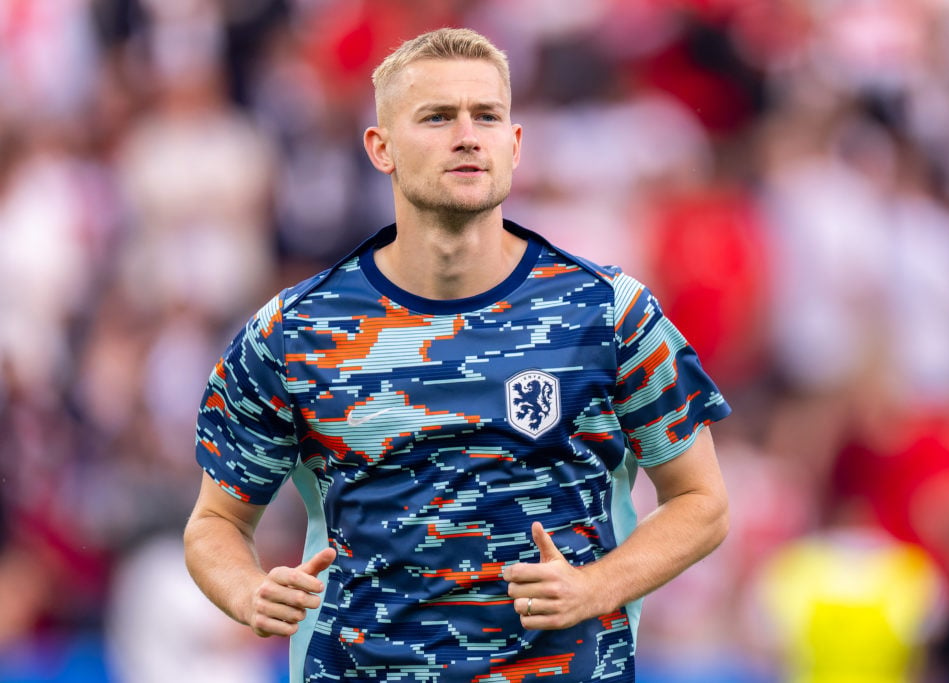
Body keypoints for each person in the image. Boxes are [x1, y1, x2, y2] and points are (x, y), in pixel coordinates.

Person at [183, 27, 731, 683]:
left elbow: (703, 500)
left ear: (516, 144)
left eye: (487, 116)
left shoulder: (608, 313)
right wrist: (248, 592)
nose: (467, 135)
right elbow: (215, 521)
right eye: (438, 117)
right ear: (380, 147)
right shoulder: (295, 330)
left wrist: (597, 585)